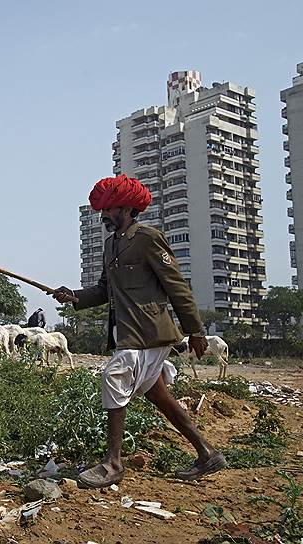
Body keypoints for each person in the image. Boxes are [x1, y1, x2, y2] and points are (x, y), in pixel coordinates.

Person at [52, 174, 225, 488]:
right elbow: (105, 290)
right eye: (102, 210)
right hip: (126, 332)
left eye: (110, 209)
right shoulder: (110, 245)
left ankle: (113, 463)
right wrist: (74, 296)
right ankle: (207, 452)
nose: (104, 215)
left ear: (128, 208)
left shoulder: (148, 238)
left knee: (114, 375)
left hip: (148, 331)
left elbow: (176, 286)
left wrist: (196, 331)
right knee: (158, 394)